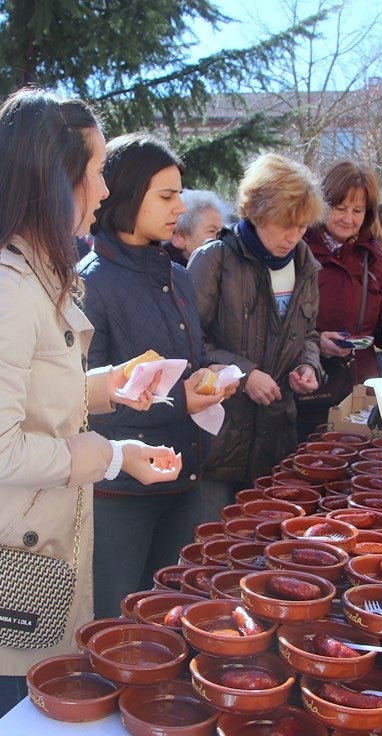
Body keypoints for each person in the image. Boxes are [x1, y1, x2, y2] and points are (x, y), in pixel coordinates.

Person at [0, 89, 180, 730]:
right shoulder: (0, 289)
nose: (105, 190)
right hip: (3, 569)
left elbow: (31, 402)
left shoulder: (26, 277)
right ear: (56, 178)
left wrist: (108, 387)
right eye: (98, 169)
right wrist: (113, 455)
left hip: (29, 556)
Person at [79, 133, 233, 619]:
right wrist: (181, 402)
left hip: (183, 481)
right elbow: (79, 404)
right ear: (124, 195)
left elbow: (184, 362)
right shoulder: (90, 283)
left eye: (180, 193)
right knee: (115, 626)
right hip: (120, 495)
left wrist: (209, 378)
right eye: (166, 196)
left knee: (168, 620)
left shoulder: (177, 273)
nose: (179, 206)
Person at [188, 153, 324, 522]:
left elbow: (307, 333)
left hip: (276, 436)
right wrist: (245, 375)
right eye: (284, 225)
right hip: (219, 439)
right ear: (257, 211)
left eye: (301, 226)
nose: (292, 236)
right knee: (209, 550)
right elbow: (188, 343)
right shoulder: (214, 259)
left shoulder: (305, 265)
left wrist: (307, 365)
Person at [295, 160, 382, 439]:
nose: (348, 218)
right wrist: (317, 342)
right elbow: (279, 321)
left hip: (360, 380)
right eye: (339, 208)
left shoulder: (372, 254)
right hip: (310, 381)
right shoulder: (299, 247)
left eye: (357, 210)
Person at [163, 189, 225, 266]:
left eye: (222, 230)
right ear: (180, 238)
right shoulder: (164, 271)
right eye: (212, 231)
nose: (222, 237)